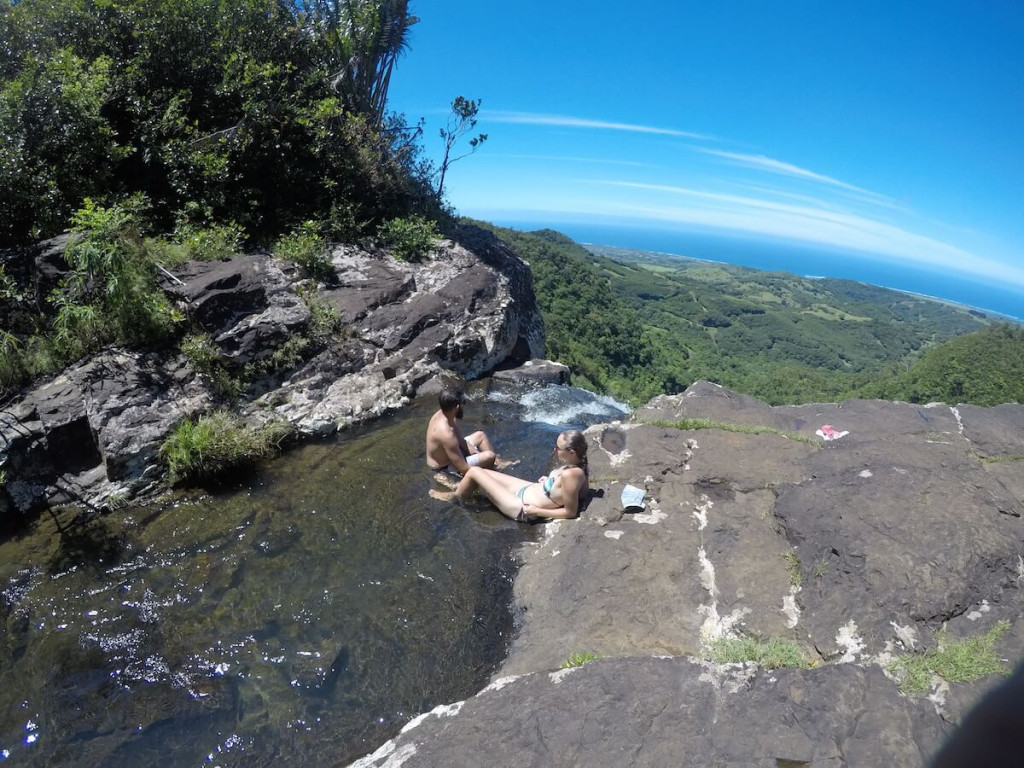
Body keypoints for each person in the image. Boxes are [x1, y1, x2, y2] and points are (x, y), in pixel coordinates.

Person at [430, 429, 589, 523]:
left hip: (521, 506)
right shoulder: (576, 464)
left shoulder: (571, 475)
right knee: (483, 473)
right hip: (527, 489)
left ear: (571, 452)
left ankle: (454, 496)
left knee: (474, 471)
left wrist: (537, 511)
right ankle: (461, 488)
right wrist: (548, 482)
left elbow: (570, 512)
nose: (554, 450)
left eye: (558, 448)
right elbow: (566, 491)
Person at [425, 388, 510, 478]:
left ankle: (497, 463)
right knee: (489, 456)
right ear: (457, 407)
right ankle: (492, 476)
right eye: (463, 405)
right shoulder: (446, 434)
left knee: (480, 435)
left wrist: (477, 454)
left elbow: (461, 441)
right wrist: (483, 461)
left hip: (452, 454)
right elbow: (463, 468)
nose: (463, 408)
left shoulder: (444, 415)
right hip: (444, 468)